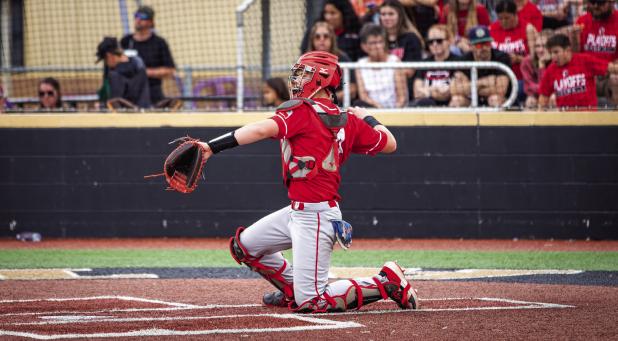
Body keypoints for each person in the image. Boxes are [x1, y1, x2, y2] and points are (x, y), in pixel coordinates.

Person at [194, 51, 418, 312]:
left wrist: (212, 147)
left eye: (304, 74)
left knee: (313, 301)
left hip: (318, 215)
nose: (297, 81)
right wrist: (367, 116)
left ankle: (385, 282)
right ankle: (293, 289)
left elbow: (261, 129)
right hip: (298, 210)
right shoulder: (350, 119)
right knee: (244, 247)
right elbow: (390, 143)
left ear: (323, 78)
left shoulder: (303, 110)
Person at [539, 33, 618, 109]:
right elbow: (543, 98)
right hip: (564, 119)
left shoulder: (584, 60)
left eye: (556, 52)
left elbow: (611, 68)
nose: (553, 56)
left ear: (567, 50)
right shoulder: (550, 70)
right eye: (551, 53)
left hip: (589, 117)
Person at [120, 5, 176, 106]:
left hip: (153, 93)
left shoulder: (159, 43)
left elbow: (170, 70)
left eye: (143, 17)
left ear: (151, 22)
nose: (138, 20)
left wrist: (145, 73)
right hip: (129, 94)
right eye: (136, 16)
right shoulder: (126, 41)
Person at [455, 25, 513, 106]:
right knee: (456, 100)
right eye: (479, 45)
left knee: (494, 99)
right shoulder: (464, 60)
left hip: (501, 99)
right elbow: (455, 90)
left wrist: (470, 86)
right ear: (471, 46)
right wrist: (482, 83)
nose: (484, 48)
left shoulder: (501, 57)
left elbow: (501, 90)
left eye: (487, 43)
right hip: (472, 100)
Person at [413, 24, 470, 106]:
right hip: (429, 105)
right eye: (431, 42)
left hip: (451, 104)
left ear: (449, 41)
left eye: (439, 41)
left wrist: (428, 91)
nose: (435, 44)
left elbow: (453, 91)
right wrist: (436, 90)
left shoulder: (458, 62)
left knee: (457, 100)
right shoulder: (424, 63)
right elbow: (417, 92)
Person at [574, 0, 618, 105]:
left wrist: (609, 68)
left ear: (612, 2)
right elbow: (575, 56)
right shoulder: (582, 21)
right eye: (592, 2)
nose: (595, 6)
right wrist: (574, 39)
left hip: (610, 74)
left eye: (600, 3)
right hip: (586, 75)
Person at [355, 24, 409, 108]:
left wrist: (393, 113)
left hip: (395, 110)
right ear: (364, 46)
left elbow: (402, 97)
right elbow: (364, 96)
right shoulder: (360, 65)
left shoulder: (395, 61)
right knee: (358, 104)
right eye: (373, 43)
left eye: (380, 42)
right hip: (372, 109)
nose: (378, 46)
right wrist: (378, 107)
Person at [490, 0, 532, 103]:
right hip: (499, 79)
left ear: (515, 14)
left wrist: (519, 59)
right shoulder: (492, 29)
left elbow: (535, 57)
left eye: (507, 18)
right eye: (500, 18)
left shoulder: (528, 28)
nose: (503, 21)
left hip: (522, 78)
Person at [306, 21, 358, 102]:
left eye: (326, 36)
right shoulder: (305, 60)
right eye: (317, 37)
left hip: (339, 106)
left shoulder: (342, 58)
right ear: (312, 40)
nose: (322, 40)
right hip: (313, 106)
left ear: (332, 39)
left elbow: (353, 89)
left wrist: (330, 99)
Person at [96, 37, 151, 109]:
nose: (106, 63)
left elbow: (115, 103)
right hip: (146, 111)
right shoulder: (139, 64)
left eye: (105, 59)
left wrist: (102, 105)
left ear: (109, 55)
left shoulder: (114, 75)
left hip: (125, 115)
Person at [521, 29, 554, 108]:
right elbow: (529, 87)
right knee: (530, 101)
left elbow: (556, 87)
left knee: (552, 98)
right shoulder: (527, 61)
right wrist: (541, 65)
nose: (540, 50)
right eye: (537, 46)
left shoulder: (557, 61)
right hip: (536, 95)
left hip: (555, 95)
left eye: (544, 46)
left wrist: (543, 67)